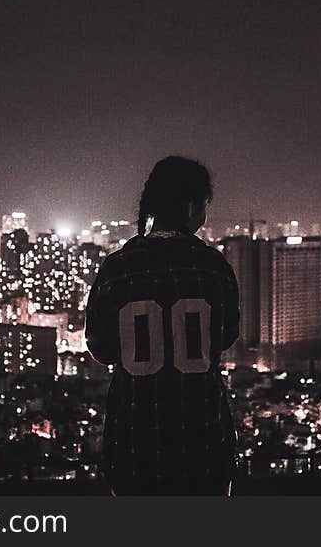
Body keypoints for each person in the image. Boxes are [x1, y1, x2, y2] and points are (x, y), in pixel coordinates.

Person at [85, 156, 240, 495]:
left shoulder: (118, 267)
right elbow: (227, 335)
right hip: (203, 435)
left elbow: (100, 346)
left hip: (135, 437)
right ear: (190, 208)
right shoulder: (213, 267)